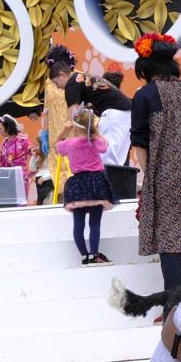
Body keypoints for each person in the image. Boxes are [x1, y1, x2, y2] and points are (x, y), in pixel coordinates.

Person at [129, 32, 181, 294]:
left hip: (164, 175)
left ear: (145, 67)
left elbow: (140, 142)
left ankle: (174, 305)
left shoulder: (144, 96)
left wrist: (148, 173)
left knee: (170, 241)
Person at [65, 59, 135, 198]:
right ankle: (114, 196)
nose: (58, 87)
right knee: (117, 161)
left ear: (61, 74)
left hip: (114, 114)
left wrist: (71, 138)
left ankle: (105, 196)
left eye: (56, 82)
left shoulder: (72, 82)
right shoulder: (93, 82)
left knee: (106, 159)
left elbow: (73, 116)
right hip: (128, 114)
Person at [57, 104, 116, 265]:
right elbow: (105, 147)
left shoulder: (69, 143)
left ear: (75, 127)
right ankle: (94, 254)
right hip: (96, 182)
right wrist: (96, 133)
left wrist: (64, 130)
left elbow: (58, 146)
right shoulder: (95, 141)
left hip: (77, 184)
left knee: (78, 223)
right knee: (95, 223)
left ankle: (84, 256)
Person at [43, 44, 77, 201]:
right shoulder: (49, 83)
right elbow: (47, 109)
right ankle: (64, 198)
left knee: (74, 167)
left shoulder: (77, 77)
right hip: (55, 134)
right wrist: (44, 132)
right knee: (58, 170)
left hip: (74, 130)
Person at [0, 115, 36, 206]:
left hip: (20, 179)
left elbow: (34, 155)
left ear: (8, 127)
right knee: (9, 206)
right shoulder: (4, 143)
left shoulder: (22, 140)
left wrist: (30, 174)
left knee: (20, 205)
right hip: (7, 180)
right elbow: (1, 163)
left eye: (0, 129)